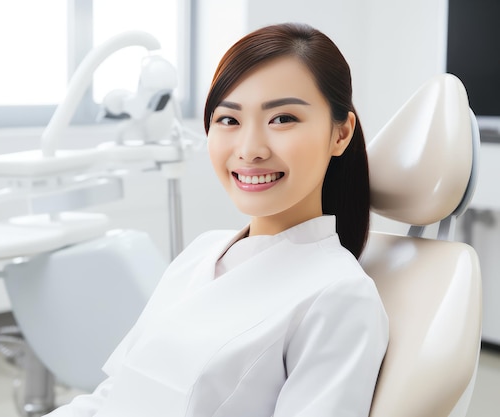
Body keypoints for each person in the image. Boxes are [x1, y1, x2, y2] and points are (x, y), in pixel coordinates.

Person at [46, 22, 388, 417]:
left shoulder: (340, 298)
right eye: (229, 120)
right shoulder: (203, 251)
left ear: (341, 133)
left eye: (282, 119)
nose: (250, 149)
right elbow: (115, 394)